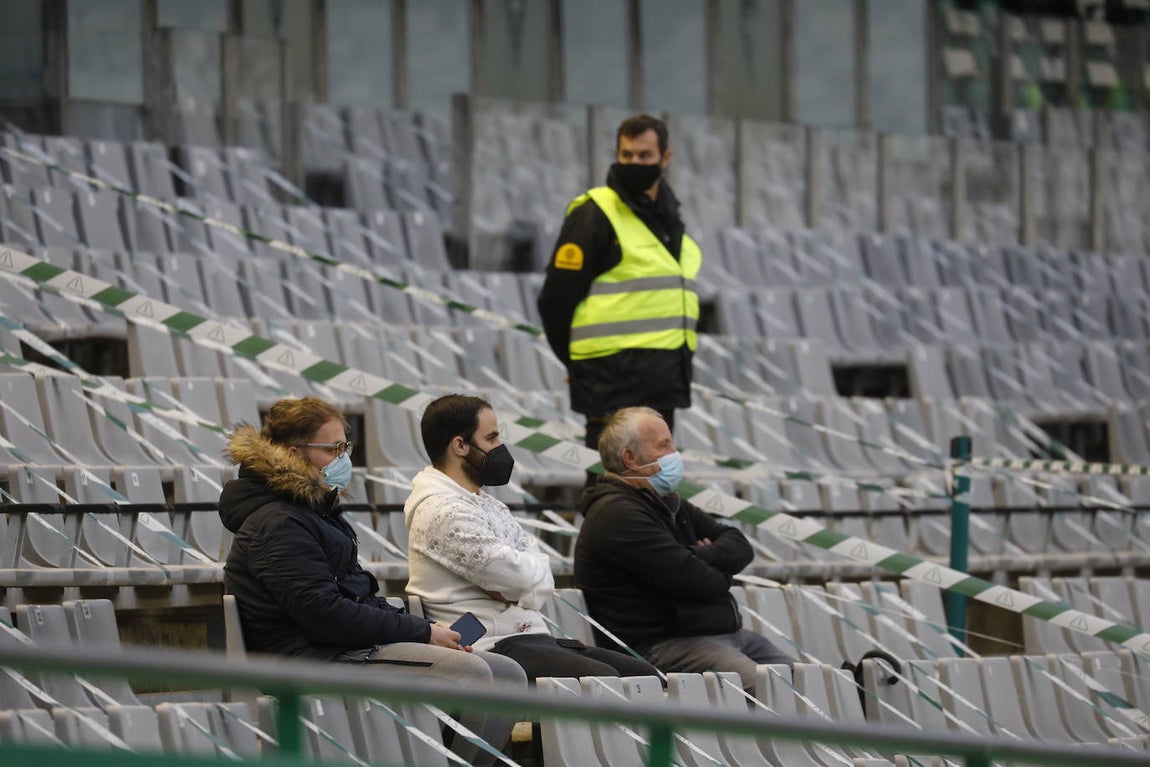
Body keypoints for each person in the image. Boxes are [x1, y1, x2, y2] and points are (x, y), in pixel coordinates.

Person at [218, 396, 526, 766]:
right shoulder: (278, 523)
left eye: (344, 446)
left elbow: (360, 594)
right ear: (291, 452)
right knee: (471, 673)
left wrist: (426, 628)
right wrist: (423, 635)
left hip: (345, 648)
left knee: (508, 673)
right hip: (314, 658)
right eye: (332, 449)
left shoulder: (314, 512)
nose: (344, 458)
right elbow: (325, 614)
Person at [404, 393, 659, 681]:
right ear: (460, 445)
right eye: (492, 438)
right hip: (489, 646)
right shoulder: (440, 509)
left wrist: (513, 584)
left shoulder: (488, 504)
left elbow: (535, 572)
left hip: (530, 635)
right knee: (600, 679)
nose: (500, 447)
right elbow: (521, 578)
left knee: (643, 675)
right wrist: (520, 580)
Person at [574, 406, 794, 689]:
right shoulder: (616, 514)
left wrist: (696, 555)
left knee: (807, 683)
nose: (674, 454)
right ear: (630, 457)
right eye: (664, 446)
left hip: (721, 635)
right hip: (660, 646)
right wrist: (722, 572)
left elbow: (739, 544)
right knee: (763, 689)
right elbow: (695, 581)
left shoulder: (667, 501)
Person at [537, 114, 701, 455]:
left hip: (662, 377)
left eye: (644, 156)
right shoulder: (595, 212)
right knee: (609, 488)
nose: (634, 163)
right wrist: (573, 363)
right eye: (626, 155)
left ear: (665, 158)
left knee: (654, 487)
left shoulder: (670, 217)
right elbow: (555, 299)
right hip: (609, 382)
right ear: (616, 153)